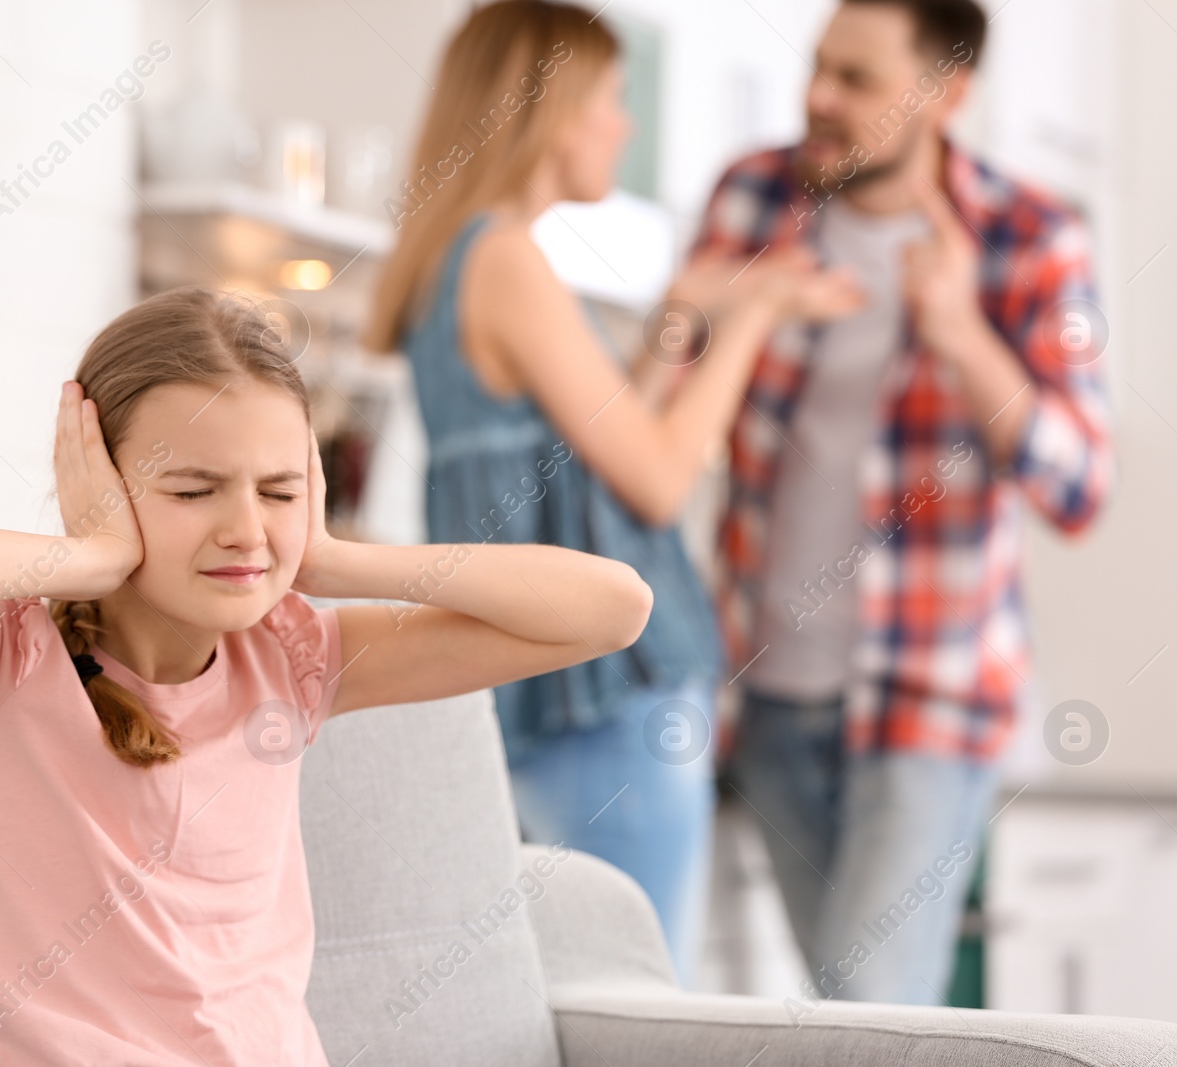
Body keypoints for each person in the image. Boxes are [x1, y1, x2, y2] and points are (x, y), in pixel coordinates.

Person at [0, 286, 657, 1065]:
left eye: (279, 490)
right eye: (194, 489)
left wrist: (332, 559)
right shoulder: (6, 658)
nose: (246, 529)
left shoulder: (291, 658)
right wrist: (92, 554)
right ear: (100, 482)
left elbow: (614, 607)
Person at [361, 0, 863, 987]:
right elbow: (659, 474)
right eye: (609, 99)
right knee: (639, 1001)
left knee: (562, 993)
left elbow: (587, 442)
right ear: (548, 113)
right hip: (603, 686)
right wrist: (755, 311)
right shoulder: (507, 258)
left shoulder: (456, 258)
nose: (621, 126)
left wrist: (681, 317)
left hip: (527, 692)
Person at [646, 0, 1115, 1005]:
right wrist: (691, 309)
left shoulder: (1032, 239)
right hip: (766, 694)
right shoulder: (753, 199)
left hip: (930, 696)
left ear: (946, 93)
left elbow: (1080, 484)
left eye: (856, 79)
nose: (816, 97)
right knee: (852, 1018)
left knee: (866, 1003)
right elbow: (651, 416)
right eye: (817, 67)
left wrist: (960, 333)